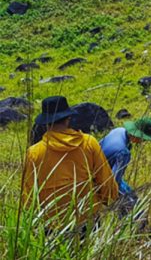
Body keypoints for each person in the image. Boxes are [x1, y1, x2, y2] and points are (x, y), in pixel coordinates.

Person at [21, 96, 118, 227]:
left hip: (52, 225)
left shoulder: (34, 153)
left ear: (46, 123)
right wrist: (107, 200)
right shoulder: (89, 143)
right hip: (87, 219)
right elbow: (106, 182)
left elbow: (29, 196)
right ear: (68, 119)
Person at [99, 116, 151, 218]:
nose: (143, 142)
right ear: (138, 136)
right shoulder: (123, 153)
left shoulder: (118, 130)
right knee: (134, 206)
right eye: (144, 139)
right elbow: (114, 182)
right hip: (101, 180)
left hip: (95, 170)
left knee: (131, 194)